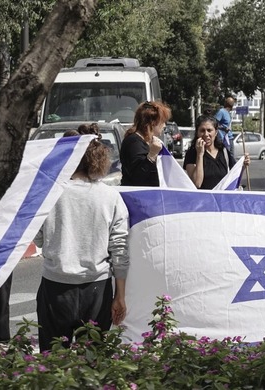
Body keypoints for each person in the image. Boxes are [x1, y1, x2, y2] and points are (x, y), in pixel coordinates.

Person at [34, 132, 130, 352]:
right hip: (97, 288)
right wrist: (120, 295)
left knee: (53, 363)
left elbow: (38, 237)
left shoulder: (49, 194)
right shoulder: (110, 196)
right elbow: (120, 249)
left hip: (55, 286)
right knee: (94, 362)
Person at [183, 115, 249, 190]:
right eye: (202, 130)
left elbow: (234, 176)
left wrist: (243, 165)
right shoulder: (192, 153)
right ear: (197, 133)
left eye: (209, 130)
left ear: (216, 132)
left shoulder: (223, 151)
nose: (206, 134)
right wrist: (200, 154)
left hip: (222, 200)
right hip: (203, 200)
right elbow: (197, 183)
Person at [119, 101, 171, 186]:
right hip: (137, 196)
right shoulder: (134, 142)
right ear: (153, 122)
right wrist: (151, 156)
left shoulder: (145, 141)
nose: (164, 125)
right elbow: (138, 177)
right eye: (162, 122)